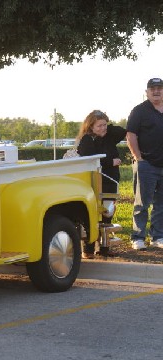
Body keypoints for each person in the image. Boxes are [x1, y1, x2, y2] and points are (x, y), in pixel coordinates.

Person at [76, 110, 127, 258]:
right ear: (90, 126)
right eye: (99, 126)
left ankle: (104, 248)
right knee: (90, 215)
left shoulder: (109, 137)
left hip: (110, 182)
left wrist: (107, 126)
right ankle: (88, 249)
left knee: (108, 213)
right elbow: (89, 160)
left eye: (105, 125)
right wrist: (110, 162)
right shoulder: (87, 140)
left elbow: (122, 131)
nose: (103, 128)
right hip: (94, 182)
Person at [126, 78, 163, 251]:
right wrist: (138, 157)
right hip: (146, 164)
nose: (156, 91)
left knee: (161, 203)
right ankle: (138, 237)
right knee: (142, 203)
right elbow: (131, 135)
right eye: (153, 88)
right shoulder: (139, 111)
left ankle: (158, 237)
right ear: (147, 92)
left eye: (159, 88)